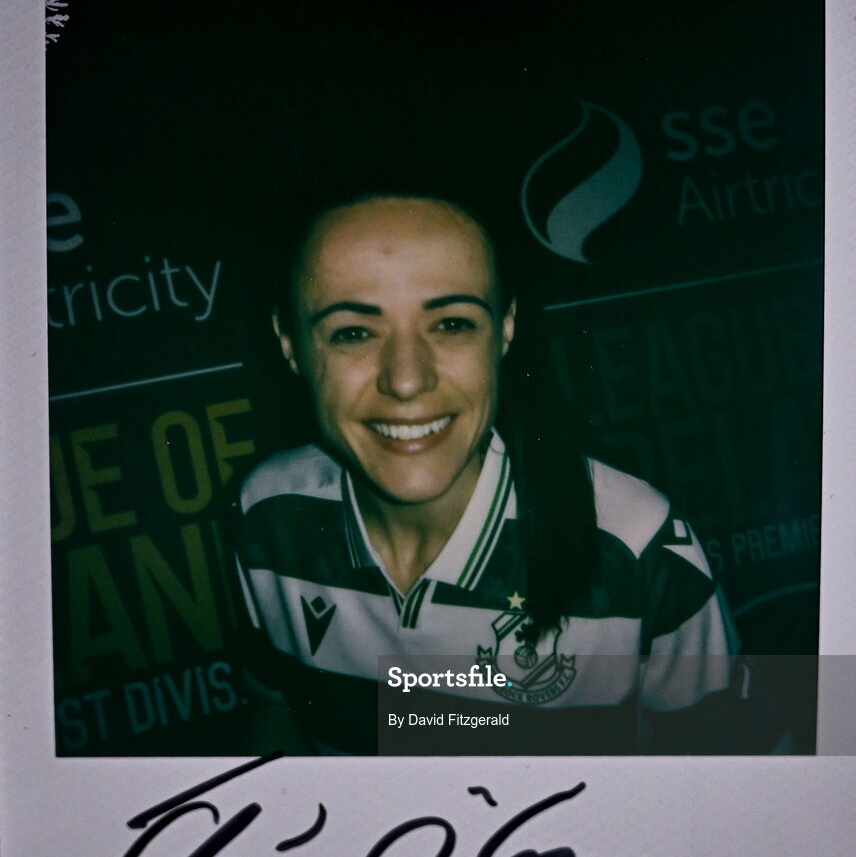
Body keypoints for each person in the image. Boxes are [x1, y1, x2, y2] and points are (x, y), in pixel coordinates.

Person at [234, 193, 738, 755]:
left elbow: (728, 782)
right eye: (353, 332)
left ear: (505, 329)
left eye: (451, 324)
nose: (406, 381)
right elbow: (277, 711)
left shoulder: (637, 547)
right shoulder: (268, 513)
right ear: (290, 344)